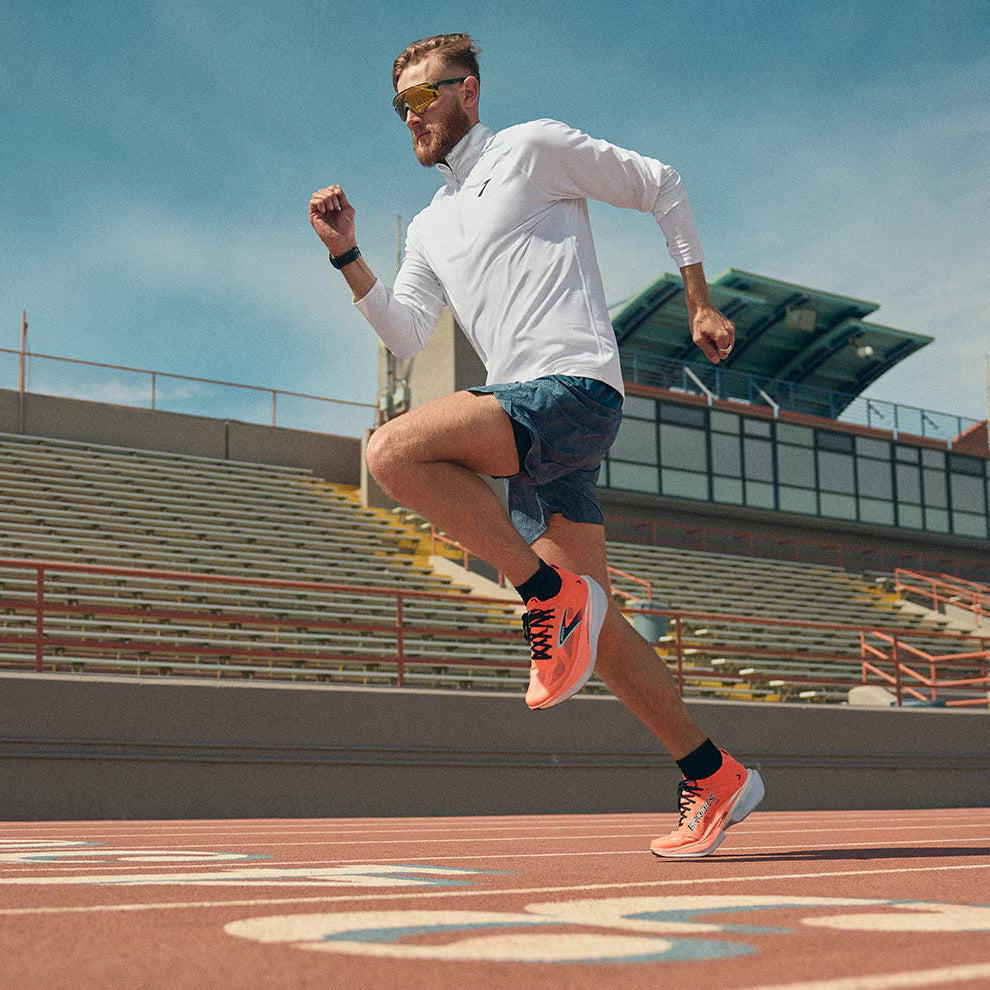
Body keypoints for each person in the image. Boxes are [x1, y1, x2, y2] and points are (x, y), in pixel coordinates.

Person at [309, 33, 764, 858]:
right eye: (399, 107)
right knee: (606, 639)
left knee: (390, 454)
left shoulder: (531, 150)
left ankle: (541, 593)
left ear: (468, 93)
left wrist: (699, 303)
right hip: (540, 428)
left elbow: (661, 185)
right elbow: (407, 333)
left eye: (423, 99)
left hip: (573, 389)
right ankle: (714, 774)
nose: (410, 118)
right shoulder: (434, 224)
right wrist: (347, 254)